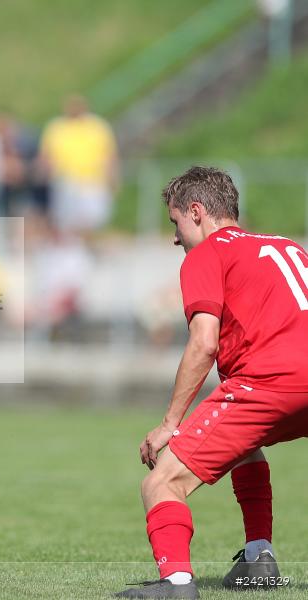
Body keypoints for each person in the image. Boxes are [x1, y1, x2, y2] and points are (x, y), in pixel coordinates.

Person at [116, 166, 307, 599]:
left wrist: (170, 422)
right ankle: (259, 558)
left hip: (272, 384)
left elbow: (203, 344)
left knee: (162, 482)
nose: (175, 237)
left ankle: (176, 583)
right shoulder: (286, 245)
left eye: (176, 222)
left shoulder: (207, 254)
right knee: (244, 444)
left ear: (197, 212)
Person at [37, 94, 118, 236]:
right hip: (66, 180)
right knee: (66, 219)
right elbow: (46, 155)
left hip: (93, 180)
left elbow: (109, 155)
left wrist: (112, 177)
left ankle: (88, 245)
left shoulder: (97, 127)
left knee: (93, 219)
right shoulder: (57, 127)